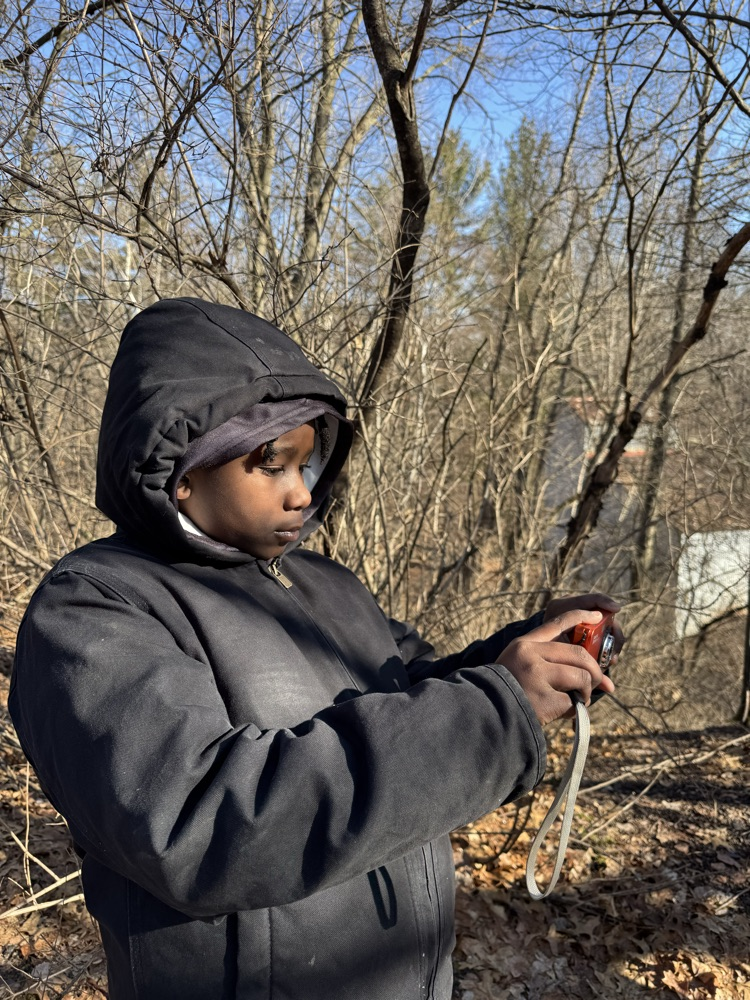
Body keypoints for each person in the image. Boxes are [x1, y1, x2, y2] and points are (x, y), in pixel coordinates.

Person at [9, 298, 618, 1000]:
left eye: (310, 461)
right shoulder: (94, 606)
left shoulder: (326, 584)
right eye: (273, 463)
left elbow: (409, 697)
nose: (302, 493)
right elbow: (199, 825)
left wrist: (524, 660)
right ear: (183, 469)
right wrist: (491, 715)